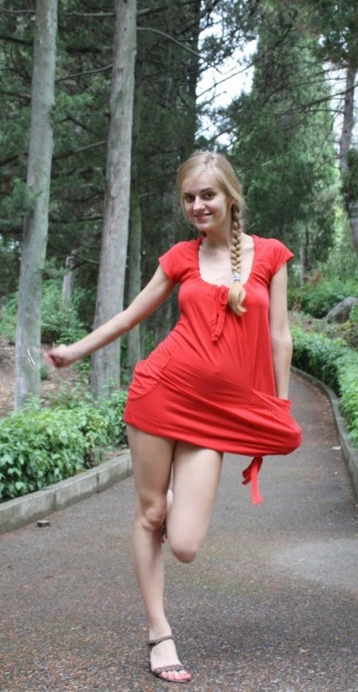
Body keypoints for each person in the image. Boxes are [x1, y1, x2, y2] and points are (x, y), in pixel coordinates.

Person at [46, 151, 302, 684]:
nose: (198, 206)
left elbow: (280, 336)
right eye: (189, 198)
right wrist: (74, 352)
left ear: (230, 195)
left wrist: (277, 407)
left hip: (215, 418)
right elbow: (128, 317)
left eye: (207, 195)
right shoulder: (182, 257)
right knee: (149, 515)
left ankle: (161, 497)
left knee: (184, 544)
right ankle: (159, 632)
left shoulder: (271, 255)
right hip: (160, 395)